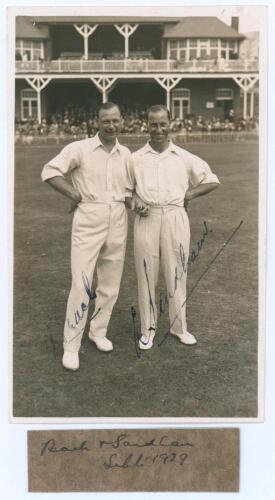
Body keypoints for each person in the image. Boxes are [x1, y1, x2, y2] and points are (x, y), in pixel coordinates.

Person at [41, 102, 134, 370]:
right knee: (82, 283)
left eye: (115, 120)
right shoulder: (79, 148)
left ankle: (98, 332)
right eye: (106, 121)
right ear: (97, 121)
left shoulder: (126, 153)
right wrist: (74, 194)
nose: (111, 125)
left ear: (122, 121)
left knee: (111, 282)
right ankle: (71, 345)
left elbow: (128, 192)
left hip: (118, 217)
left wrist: (135, 204)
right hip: (88, 217)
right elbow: (49, 171)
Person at [132, 104, 220, 350]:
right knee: (147, 273)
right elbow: (126, 192)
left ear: (170, 124)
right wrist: (135, 202)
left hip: (175, 216)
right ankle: (147, 330)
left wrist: (190, 194)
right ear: (146, 125)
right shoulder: (135, 158)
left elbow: (212, 180)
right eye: (153, 124)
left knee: (177, 273)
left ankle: (179, 327)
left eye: (162, 124)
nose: (158, 129)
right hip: (147, 218)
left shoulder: (184, 156)